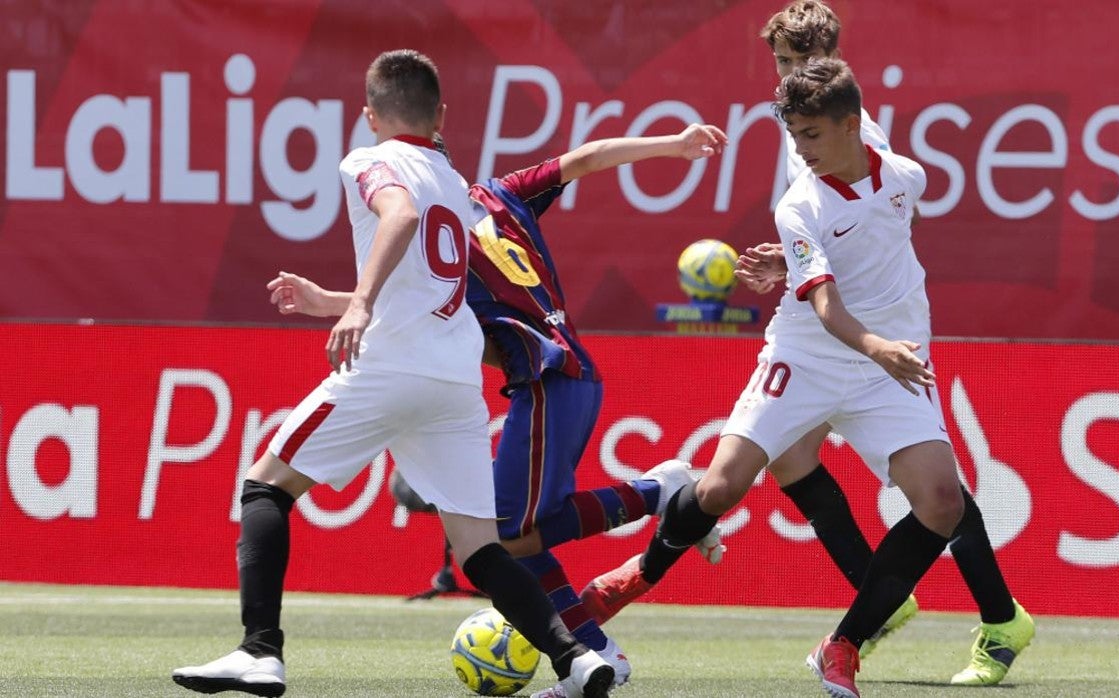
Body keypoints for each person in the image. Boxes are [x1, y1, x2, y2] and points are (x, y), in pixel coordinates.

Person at [584, 1, 1035, 688]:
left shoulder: (895, 167)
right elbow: (824, 288)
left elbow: (874, 229)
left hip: (888, 352)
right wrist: (799, 264)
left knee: (939, 499)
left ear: (843, 96)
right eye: (783, 67)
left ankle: (876, 631)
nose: (790, 87)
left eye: (802, 66)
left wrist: (856, 311)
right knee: (728, 483)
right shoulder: (802, 174)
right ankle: (641, 569)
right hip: (815, 348)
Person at [171, 49, 614, 698]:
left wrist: (357, 304)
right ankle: (577, 659)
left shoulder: (367, 159)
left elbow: (400, 218)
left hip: (390, 366)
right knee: (481, 550)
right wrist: (333, 299)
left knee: (266, 486)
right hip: (454, 379)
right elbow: (429, 278)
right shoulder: (456, 181)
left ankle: (259, 652)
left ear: (368, 116)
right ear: (440, 116)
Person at [264, 124, 730, 698]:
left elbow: (424, 307)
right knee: (521, 533)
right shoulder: (502, 193)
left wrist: (337, 303)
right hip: (570, 375)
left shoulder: (444, 234)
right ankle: (598, 636)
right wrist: (671, 145)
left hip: (545, 379)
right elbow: (585, 158)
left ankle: (646, 525)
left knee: (506, 537)